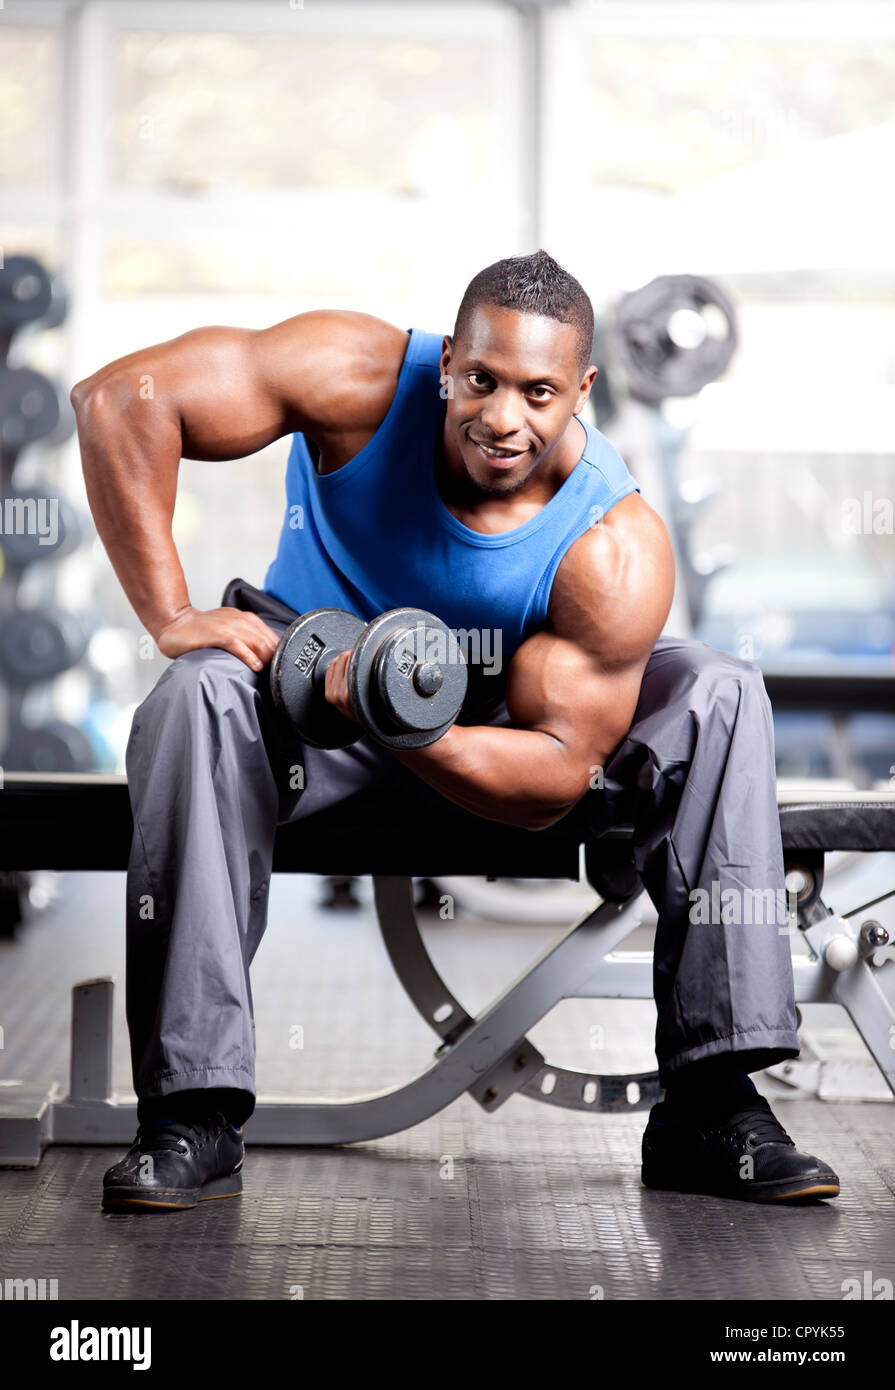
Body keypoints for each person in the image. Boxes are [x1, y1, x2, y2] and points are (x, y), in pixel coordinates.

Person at [71, 249, 839, 1211]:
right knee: (193, 693)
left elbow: (556, 778)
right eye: (480, 380)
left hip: (500, 739)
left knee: (718, 690)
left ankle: (708, 1100)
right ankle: (192, 1112)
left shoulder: (611, 541)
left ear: (581, 392)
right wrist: (169, 612)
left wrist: (406, 726)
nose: (502, 417)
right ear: (446, 365)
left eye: (538, 391)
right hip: (308, 701)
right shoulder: (353, 375)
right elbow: (118, 401)